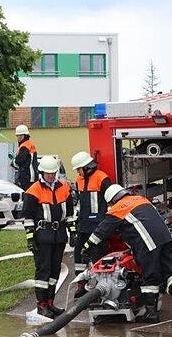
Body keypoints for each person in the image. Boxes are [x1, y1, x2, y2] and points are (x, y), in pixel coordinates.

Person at [84, 184, 172, 323]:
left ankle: (151, 314)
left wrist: (86, 247)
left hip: (148, 243)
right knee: (169, 273)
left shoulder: (119, 208)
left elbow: (101, 231)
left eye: (110, 204)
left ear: (113, 200)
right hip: (165, 238)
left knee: (150, 278)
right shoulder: (141, 199)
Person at [23, 155, 76, 319]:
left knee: (55, 270)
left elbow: (70, 214)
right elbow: (28, 218)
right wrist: (30, 238)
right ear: (42, 173)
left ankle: (50, 302)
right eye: (48, 173)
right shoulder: (33, 191)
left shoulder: (65, 188)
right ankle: (41, 305)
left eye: (53, 173)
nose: (51, 176)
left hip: (59, 235)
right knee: (43, 271)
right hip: (43, 236)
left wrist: (73, 232)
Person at [70, 151, 113, 297]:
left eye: (78, 169)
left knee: (98, 256)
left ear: (86, 167)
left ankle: (101, 287)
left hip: (98, 226)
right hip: (83, 225)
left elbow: (110, 202)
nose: (78, 172)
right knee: (79, 255)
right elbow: (79, 204)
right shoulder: (79, 180)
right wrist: (75, 225)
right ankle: (81, 284)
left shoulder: (102, 178)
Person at [13, 124, 38, 190]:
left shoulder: (25, 145)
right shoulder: (28, 144)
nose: (18, 137)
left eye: (20, 136)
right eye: (17, 135)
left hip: (28, 177)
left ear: (25, 136)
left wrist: (13, 162)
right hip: (30, 176)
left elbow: (19, 161)